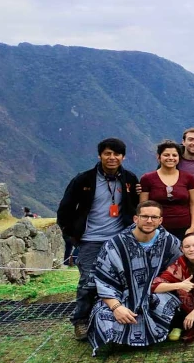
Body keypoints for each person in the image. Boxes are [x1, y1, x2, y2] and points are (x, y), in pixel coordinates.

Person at [56, 137, 140, 340]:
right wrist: (72, 234)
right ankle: (81, 321)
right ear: (100, 155)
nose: (112, 158)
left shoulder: (129, 179)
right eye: (107, 153)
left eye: (116, 154)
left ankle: (112, 318)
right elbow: (65, 208)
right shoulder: (84, 179)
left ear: (123, 156)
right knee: (88, 281)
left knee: (121, 279)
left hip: (120, 239)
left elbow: (136, 207)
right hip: (91, 239)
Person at [87, 201, 182, 355]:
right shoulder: (115, 245)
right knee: (102, 318)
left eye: (154, 217)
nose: (149, 221)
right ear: (135, 219)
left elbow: (182, 269)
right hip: (121, 298)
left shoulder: (170, 243)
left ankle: (152, 331)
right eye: (144, 216)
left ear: (160, 220)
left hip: (154, 295)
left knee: (170, 304)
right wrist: (116, 307)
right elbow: (102, 280)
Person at [140, 140, 194, 242]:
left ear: (179, 158)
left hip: (183, 228)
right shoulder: (147, 179)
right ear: (159, 157)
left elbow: (193, 203)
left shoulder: (188, 178)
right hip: (156, 228)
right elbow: (143, 205)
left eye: (174, 155)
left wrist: (193, 227)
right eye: (166, 155)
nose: (170, 158)